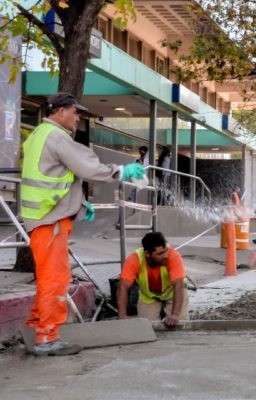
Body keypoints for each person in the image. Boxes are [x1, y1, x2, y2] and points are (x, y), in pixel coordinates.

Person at [21, 92, 145, 356]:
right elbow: (87, 167)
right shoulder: (56, 136)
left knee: (53, 278)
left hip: (45, 217)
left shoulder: (38, 135)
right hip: (49, 220)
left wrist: (75, 202)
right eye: (75, 112)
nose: (77, 118)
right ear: (61, 111)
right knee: (54, 281)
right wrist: (121, 171)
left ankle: (35, 329)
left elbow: (54, 174)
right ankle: (47, 338)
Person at [117, 232, 188, 327]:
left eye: (165, 251)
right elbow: (123, 287)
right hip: (149, 297)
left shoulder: (173, 256)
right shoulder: (134, 259)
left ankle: (171, 312)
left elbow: (179, 286)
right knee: (147, 327)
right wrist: (122, 316)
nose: (165, 256)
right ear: (147, 254)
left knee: (180, 324)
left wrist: (175, 315)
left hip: (173, 294)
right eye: (160, 254)